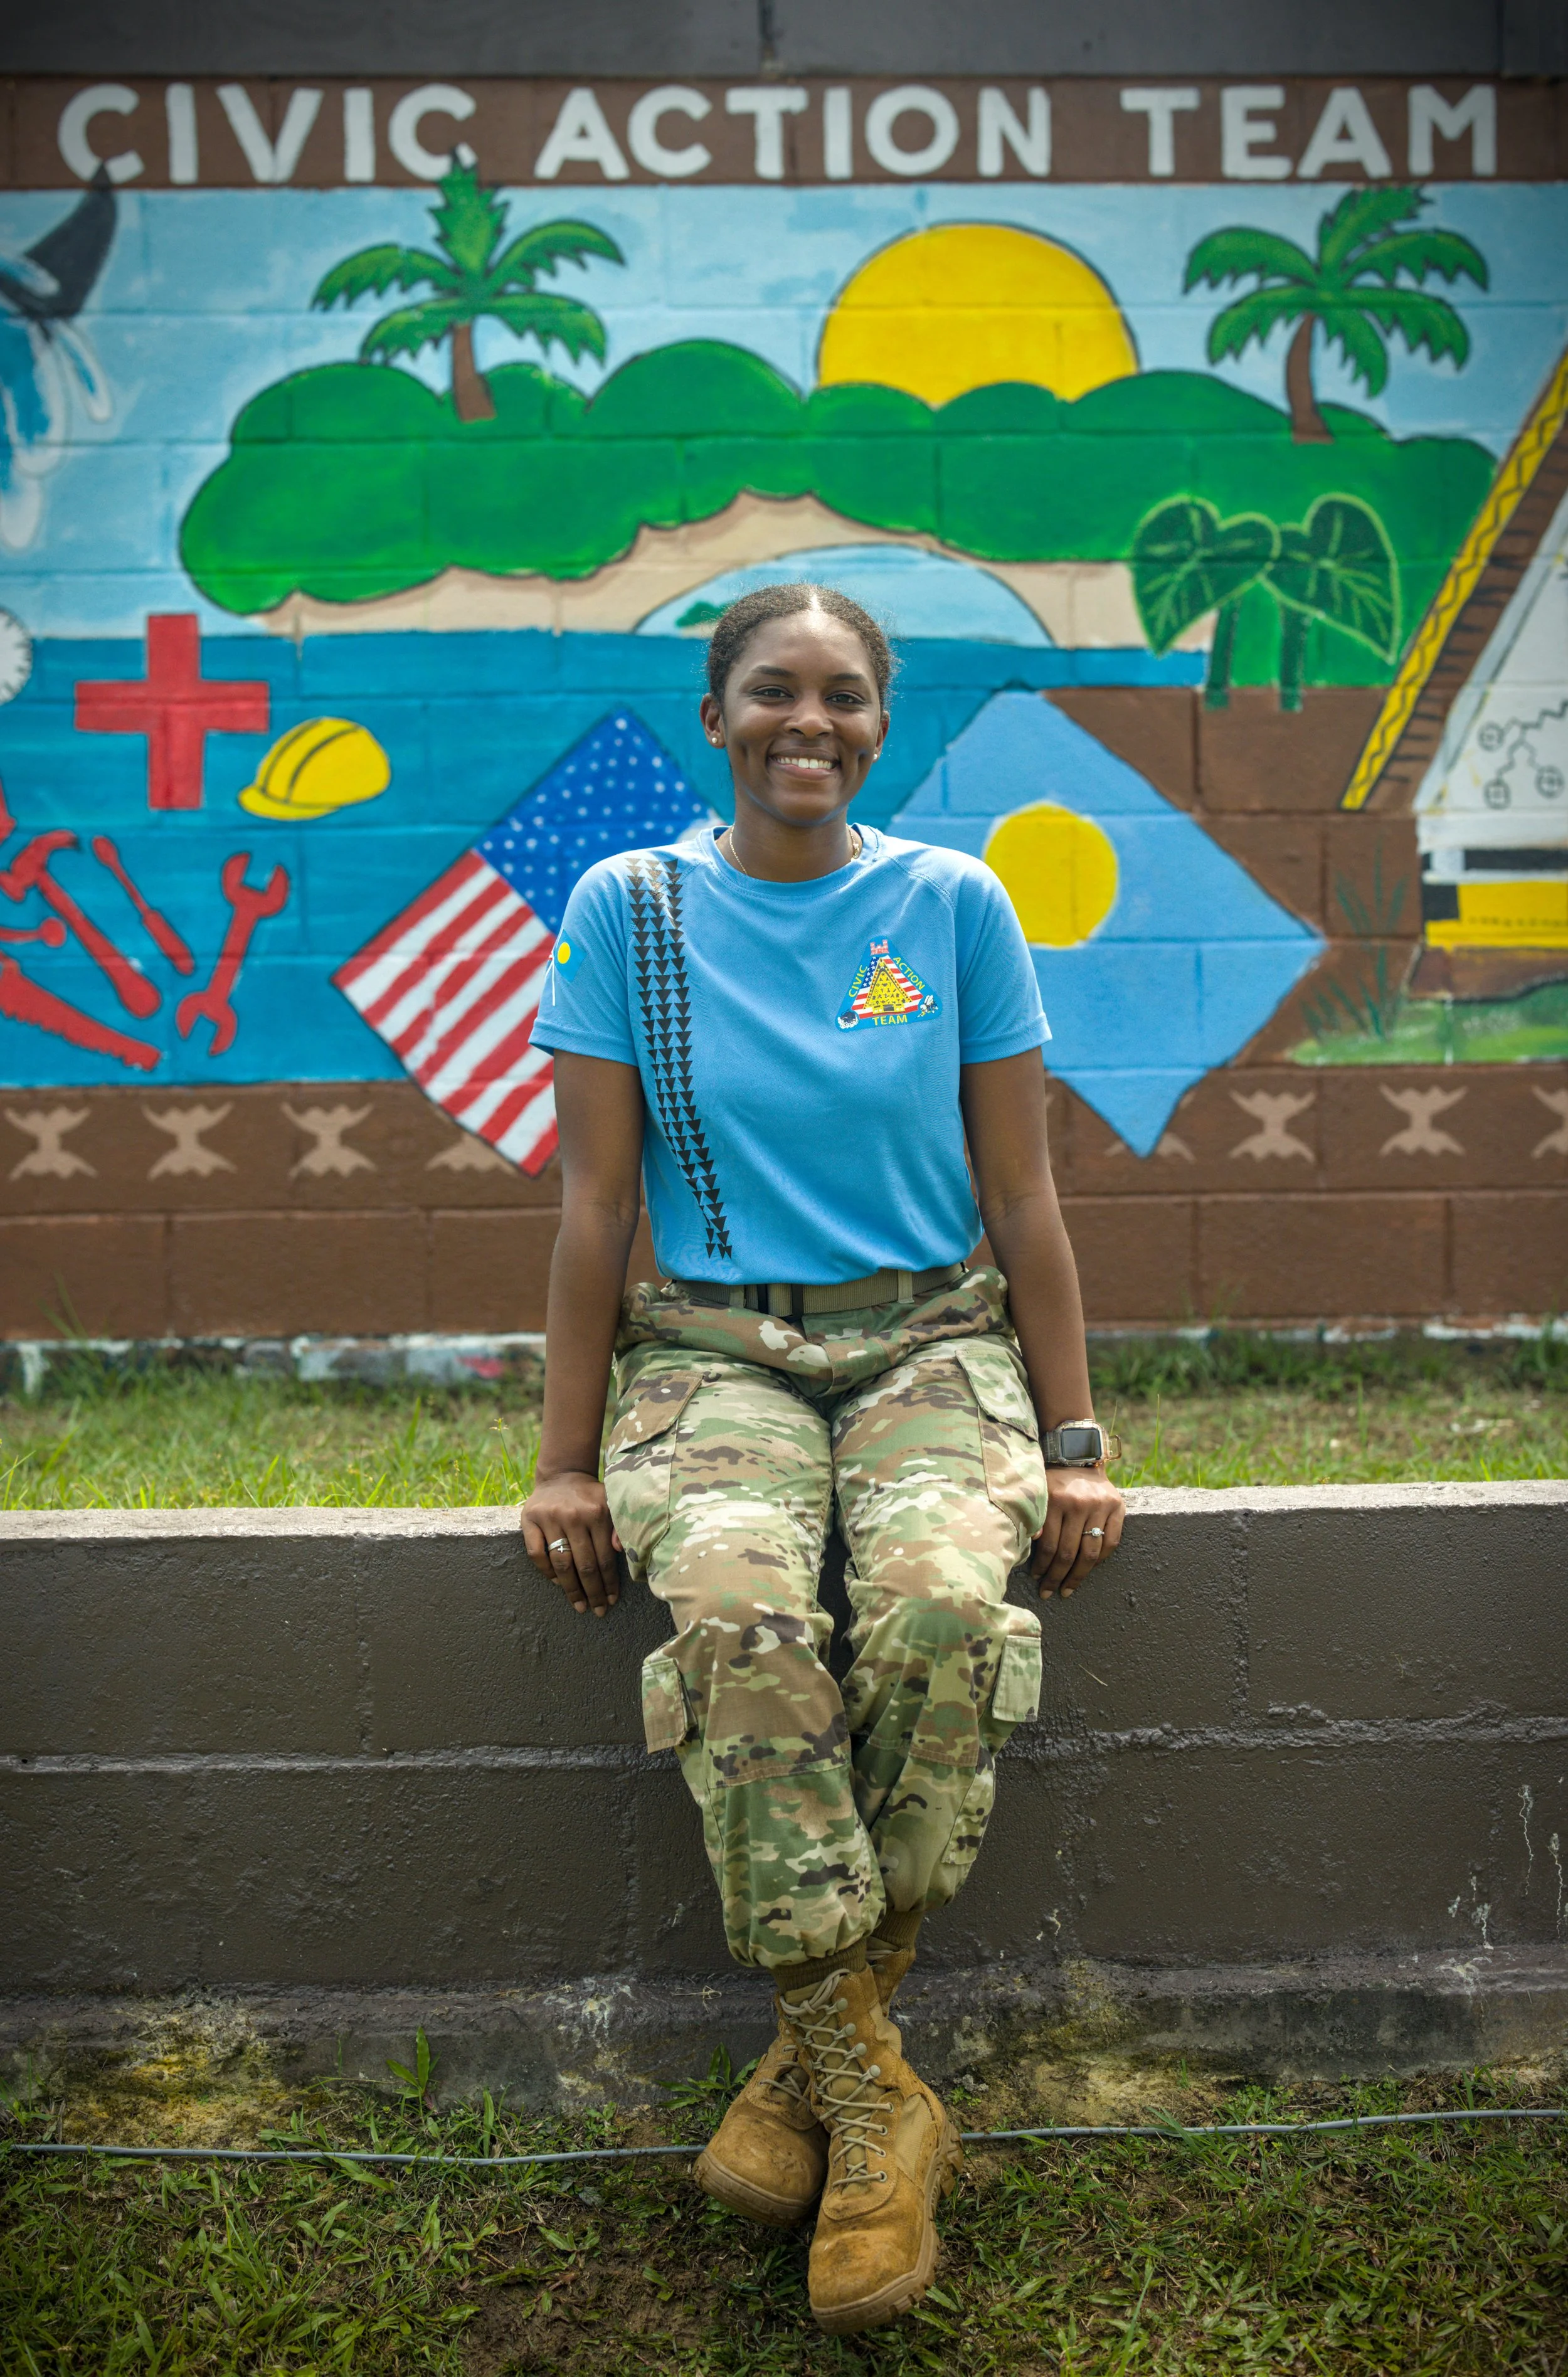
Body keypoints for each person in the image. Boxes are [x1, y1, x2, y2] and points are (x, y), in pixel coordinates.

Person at [522, 583, 1124, 2335]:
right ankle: (872, 2089)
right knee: (734, 1608)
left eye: (845, 695)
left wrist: (1072, 1439)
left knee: (941, 1605)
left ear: (881, 718)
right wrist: (565, 1460)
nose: (811, 721)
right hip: (712, 1343)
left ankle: (810, 2061)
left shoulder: (951, 904)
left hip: (930, 1337)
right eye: (772, 691)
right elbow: (592, 1206)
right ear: (714, 712)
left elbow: (1024, 1194)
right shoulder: (626, 911)